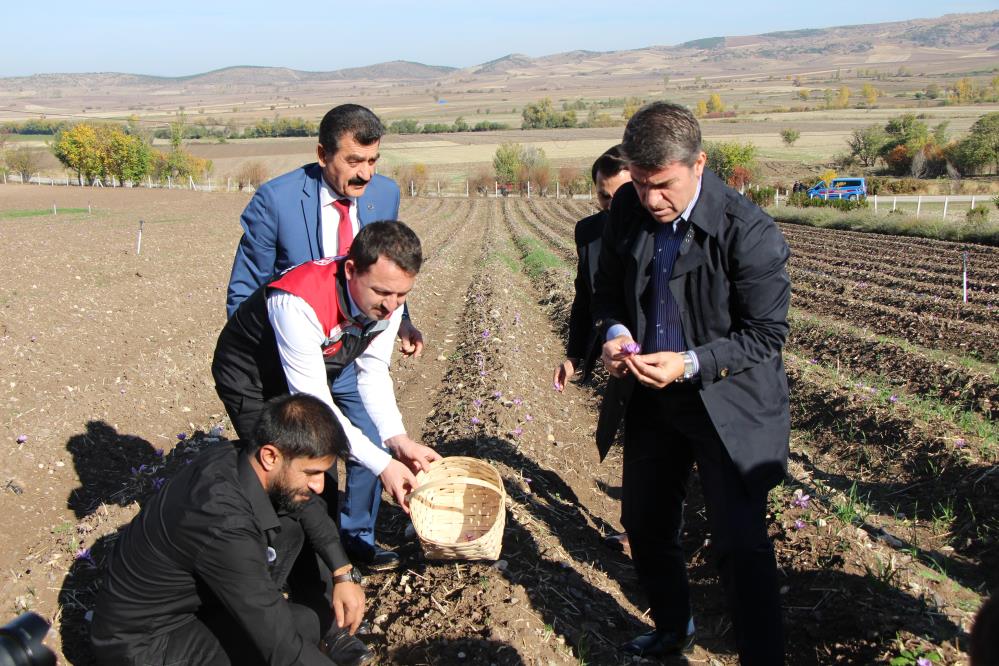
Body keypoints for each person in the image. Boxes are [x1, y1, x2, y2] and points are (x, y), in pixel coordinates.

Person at [591, 101, 790, 664]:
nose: (651, 199)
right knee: (645, 523)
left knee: (739, 543)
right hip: (653, 398)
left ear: (698, 163)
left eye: (664, 185)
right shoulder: (627, 207)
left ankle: (762, 656)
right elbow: (607, 290)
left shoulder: (747, 231)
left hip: (728, 403)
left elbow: (766, 334)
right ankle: (673, 628)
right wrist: (615, 332)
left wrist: (689, 362)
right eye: (640, 182)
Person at [226, 104, 424, 571]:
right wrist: (261, 347)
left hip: (347, 340)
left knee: (370, 435)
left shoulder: (384, 194)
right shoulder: (276, 201)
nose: (366, 174)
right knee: (305, 454)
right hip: (286, 342)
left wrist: (398, 317)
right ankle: (298, 556)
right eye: (354, 161)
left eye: (373, 161)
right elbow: (245, 288)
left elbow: (384, 271)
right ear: (322, 154)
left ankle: (355, 540)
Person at [91, 394, 373, 666]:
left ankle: (326, 635)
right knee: (282, 641)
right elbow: (281, 648)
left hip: (199, 607)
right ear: (270, 456)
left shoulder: (242, 457)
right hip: (148, 644)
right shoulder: (222, 522)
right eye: (311, 473)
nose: (320, 485)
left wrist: (342, 572)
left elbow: (311, 509)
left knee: (307, 620)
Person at [213, 221, 440, 531]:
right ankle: (271, 549)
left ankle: (326, 554)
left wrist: (398, 441)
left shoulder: (390, 301)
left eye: (402, 294)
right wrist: (382, 464)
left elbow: (372, 372)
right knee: (285, 475)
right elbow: (315, 404)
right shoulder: (298, 302)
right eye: (382, 292)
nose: (391, 305)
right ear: (350, 270)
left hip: (309, 369)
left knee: (321, 470)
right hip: (253, 377)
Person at [551, 145, 632, 555]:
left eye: (622, 194)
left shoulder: (655, 226)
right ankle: (636, 530)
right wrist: (575, 356)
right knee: (635, 435)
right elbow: (585, 297)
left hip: (667, 349)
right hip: (621, 353)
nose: (612, 204)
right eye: (604, 195)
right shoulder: (589, 232)